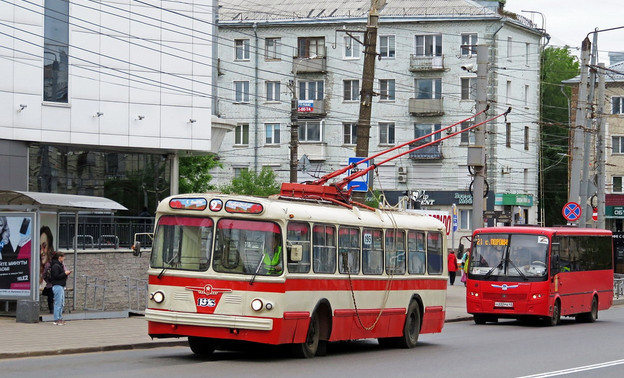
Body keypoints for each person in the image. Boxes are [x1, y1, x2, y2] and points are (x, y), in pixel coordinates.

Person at [50, 252, 72, 325]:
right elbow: (56, 276)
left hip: (61, 286)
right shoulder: (56, 266)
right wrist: (65, 273)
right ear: (59, 257)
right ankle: (57, 319)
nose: (64, 258)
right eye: (63, 257)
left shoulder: (59, 265)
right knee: (58, 303)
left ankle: (60, 317)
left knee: (61, 302)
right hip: (57, 286)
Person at [40, 226, 56, 313]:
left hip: (51, 285)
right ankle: (54, 309)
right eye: (39, 248)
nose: (41, 252)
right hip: (56, 285)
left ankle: (52, 309)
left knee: (51, 297)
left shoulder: (49, 263)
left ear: (50, 246)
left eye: (44, 246)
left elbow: (45, 274)